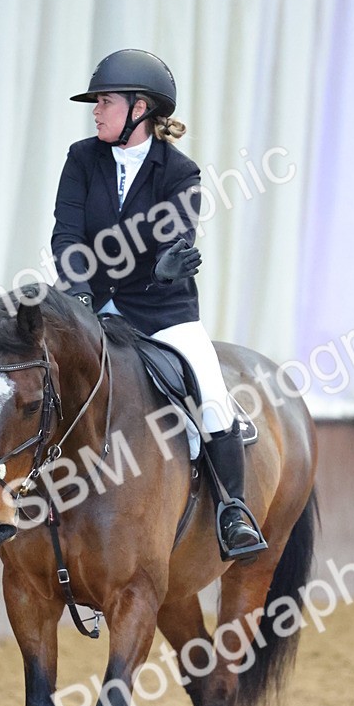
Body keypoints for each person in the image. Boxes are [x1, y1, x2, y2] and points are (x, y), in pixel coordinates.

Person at [51, 47, 267, 562]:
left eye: (105, 101)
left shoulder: (179, 172)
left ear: (140, 109)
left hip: (161, 312)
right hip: (90, 304)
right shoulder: (82, 158)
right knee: (38, 378)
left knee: (212, 395)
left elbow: (176, 238)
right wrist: (79, 290)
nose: (96, 110)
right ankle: (9, 492)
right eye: (97, 103)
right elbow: (66, 232)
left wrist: (168, 264)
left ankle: (233, 509)